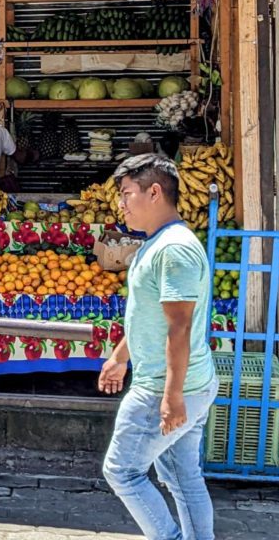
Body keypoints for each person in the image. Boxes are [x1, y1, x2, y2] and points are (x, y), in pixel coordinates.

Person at [99, 154, 219, 540]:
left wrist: (172, 396)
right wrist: (120, 357)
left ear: (154, 192)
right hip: (185, 383)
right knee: (182, 477)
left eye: (126, 194)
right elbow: (147, 314)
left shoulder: (173, 249)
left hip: (162, 388)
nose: (121, 204)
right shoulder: (158, 243)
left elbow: (179, 327)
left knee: (122, 471)